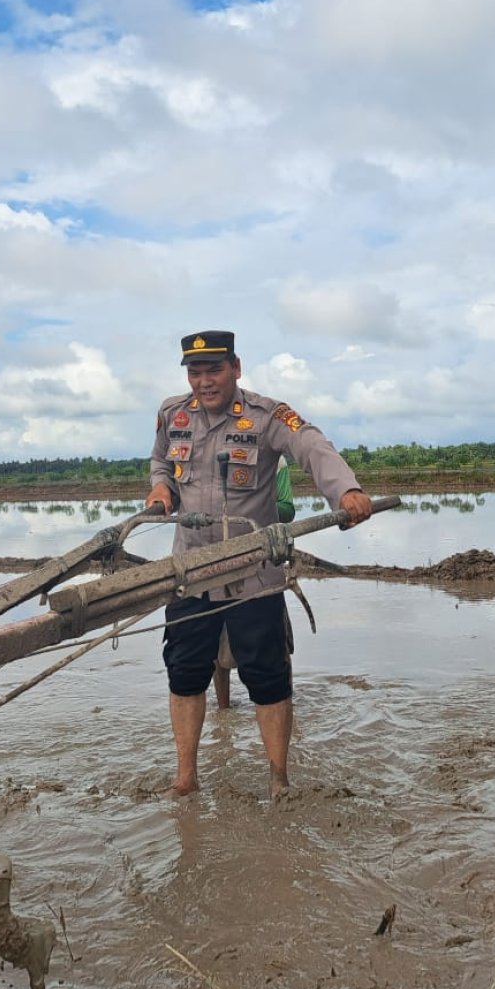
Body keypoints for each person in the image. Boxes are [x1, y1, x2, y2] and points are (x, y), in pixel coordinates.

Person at [146, 330, 372, 799]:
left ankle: (278, 779)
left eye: (215, 370)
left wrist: (345, 490)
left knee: (268, 677)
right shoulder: (173, 414)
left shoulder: (267, 416)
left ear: (236, 367)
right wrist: (161, 487)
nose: (204, 381)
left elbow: (312, 445)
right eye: (195, 372)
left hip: (254, 576)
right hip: (190, 574)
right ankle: (185, 778)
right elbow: (160, 462)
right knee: (184, 673)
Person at [212, 455, 295, 710]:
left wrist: (258, 505)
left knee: (276, 641)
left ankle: (283, 700)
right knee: (217, 647)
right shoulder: (207, 458)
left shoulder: (276, 462)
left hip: (262, 557)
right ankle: (223, 709)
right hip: (217, 557)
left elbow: (287, 509)